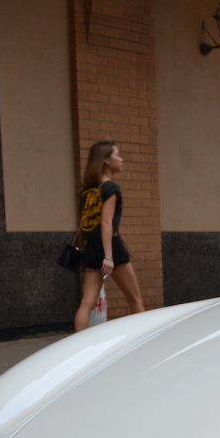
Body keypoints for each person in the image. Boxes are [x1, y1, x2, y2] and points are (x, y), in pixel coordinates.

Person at [74, 140, 145, 331]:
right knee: (135, 300)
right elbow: (106, 223)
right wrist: (108, 256)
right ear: (106, 160)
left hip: (90, 246)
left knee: (86, 303)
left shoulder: (87, 191)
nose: (121, 160)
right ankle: (143, 340)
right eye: (117, 155)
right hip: (110, 247)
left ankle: (79, 345)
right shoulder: (111, 188)